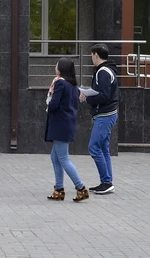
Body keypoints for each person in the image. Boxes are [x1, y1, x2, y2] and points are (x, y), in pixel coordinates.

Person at [45, 58, 89, 202]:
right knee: (55, 157)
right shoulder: (72, 86)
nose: (55, 66)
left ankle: (81, 188)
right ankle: (58, 189)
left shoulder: (60, 83)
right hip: (66, 123)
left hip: (60, 124)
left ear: (61, 68)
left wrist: (49, 104)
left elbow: (54, 104)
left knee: (63, 158)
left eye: (56, 64)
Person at [79, 43, 119, 195]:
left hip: (104, 115)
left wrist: (86, 98)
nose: (91, 58)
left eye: (91, 55)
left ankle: (106, 182)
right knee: (103, 149)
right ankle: (107, 181)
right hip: (108, 114)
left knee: (94, 147)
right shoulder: (108, 70)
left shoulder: (103, 72)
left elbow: (103, 95)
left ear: (95, 54)